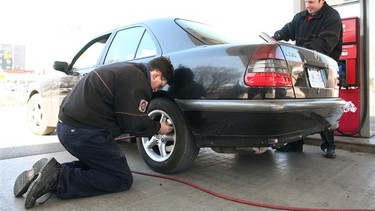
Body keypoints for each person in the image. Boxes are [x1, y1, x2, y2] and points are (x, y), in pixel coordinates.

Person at [13, 56, 175, 209]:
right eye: (160, 85)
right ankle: (58, 179)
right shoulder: (138, 81)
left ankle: (45, 172)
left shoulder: (127, 69)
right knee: (121, 178)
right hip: (83, 134)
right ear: (156, 75)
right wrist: (158, 127)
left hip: (68, 128)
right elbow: (134, 124)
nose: (156, 91)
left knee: (99, 165)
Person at [272, 0, 343, 159]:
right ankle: (295, 143)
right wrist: (276, 37)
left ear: (321, 1)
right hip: (302, 65)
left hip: (323, 68)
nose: (308, 6)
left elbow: (325, 43)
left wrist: (302, 51)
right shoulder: (300, 17)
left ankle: (329, 146)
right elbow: (288, 30)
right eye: (306, 2)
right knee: (298, 103)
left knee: (322, 106)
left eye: (311, 2)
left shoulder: (332, 17)